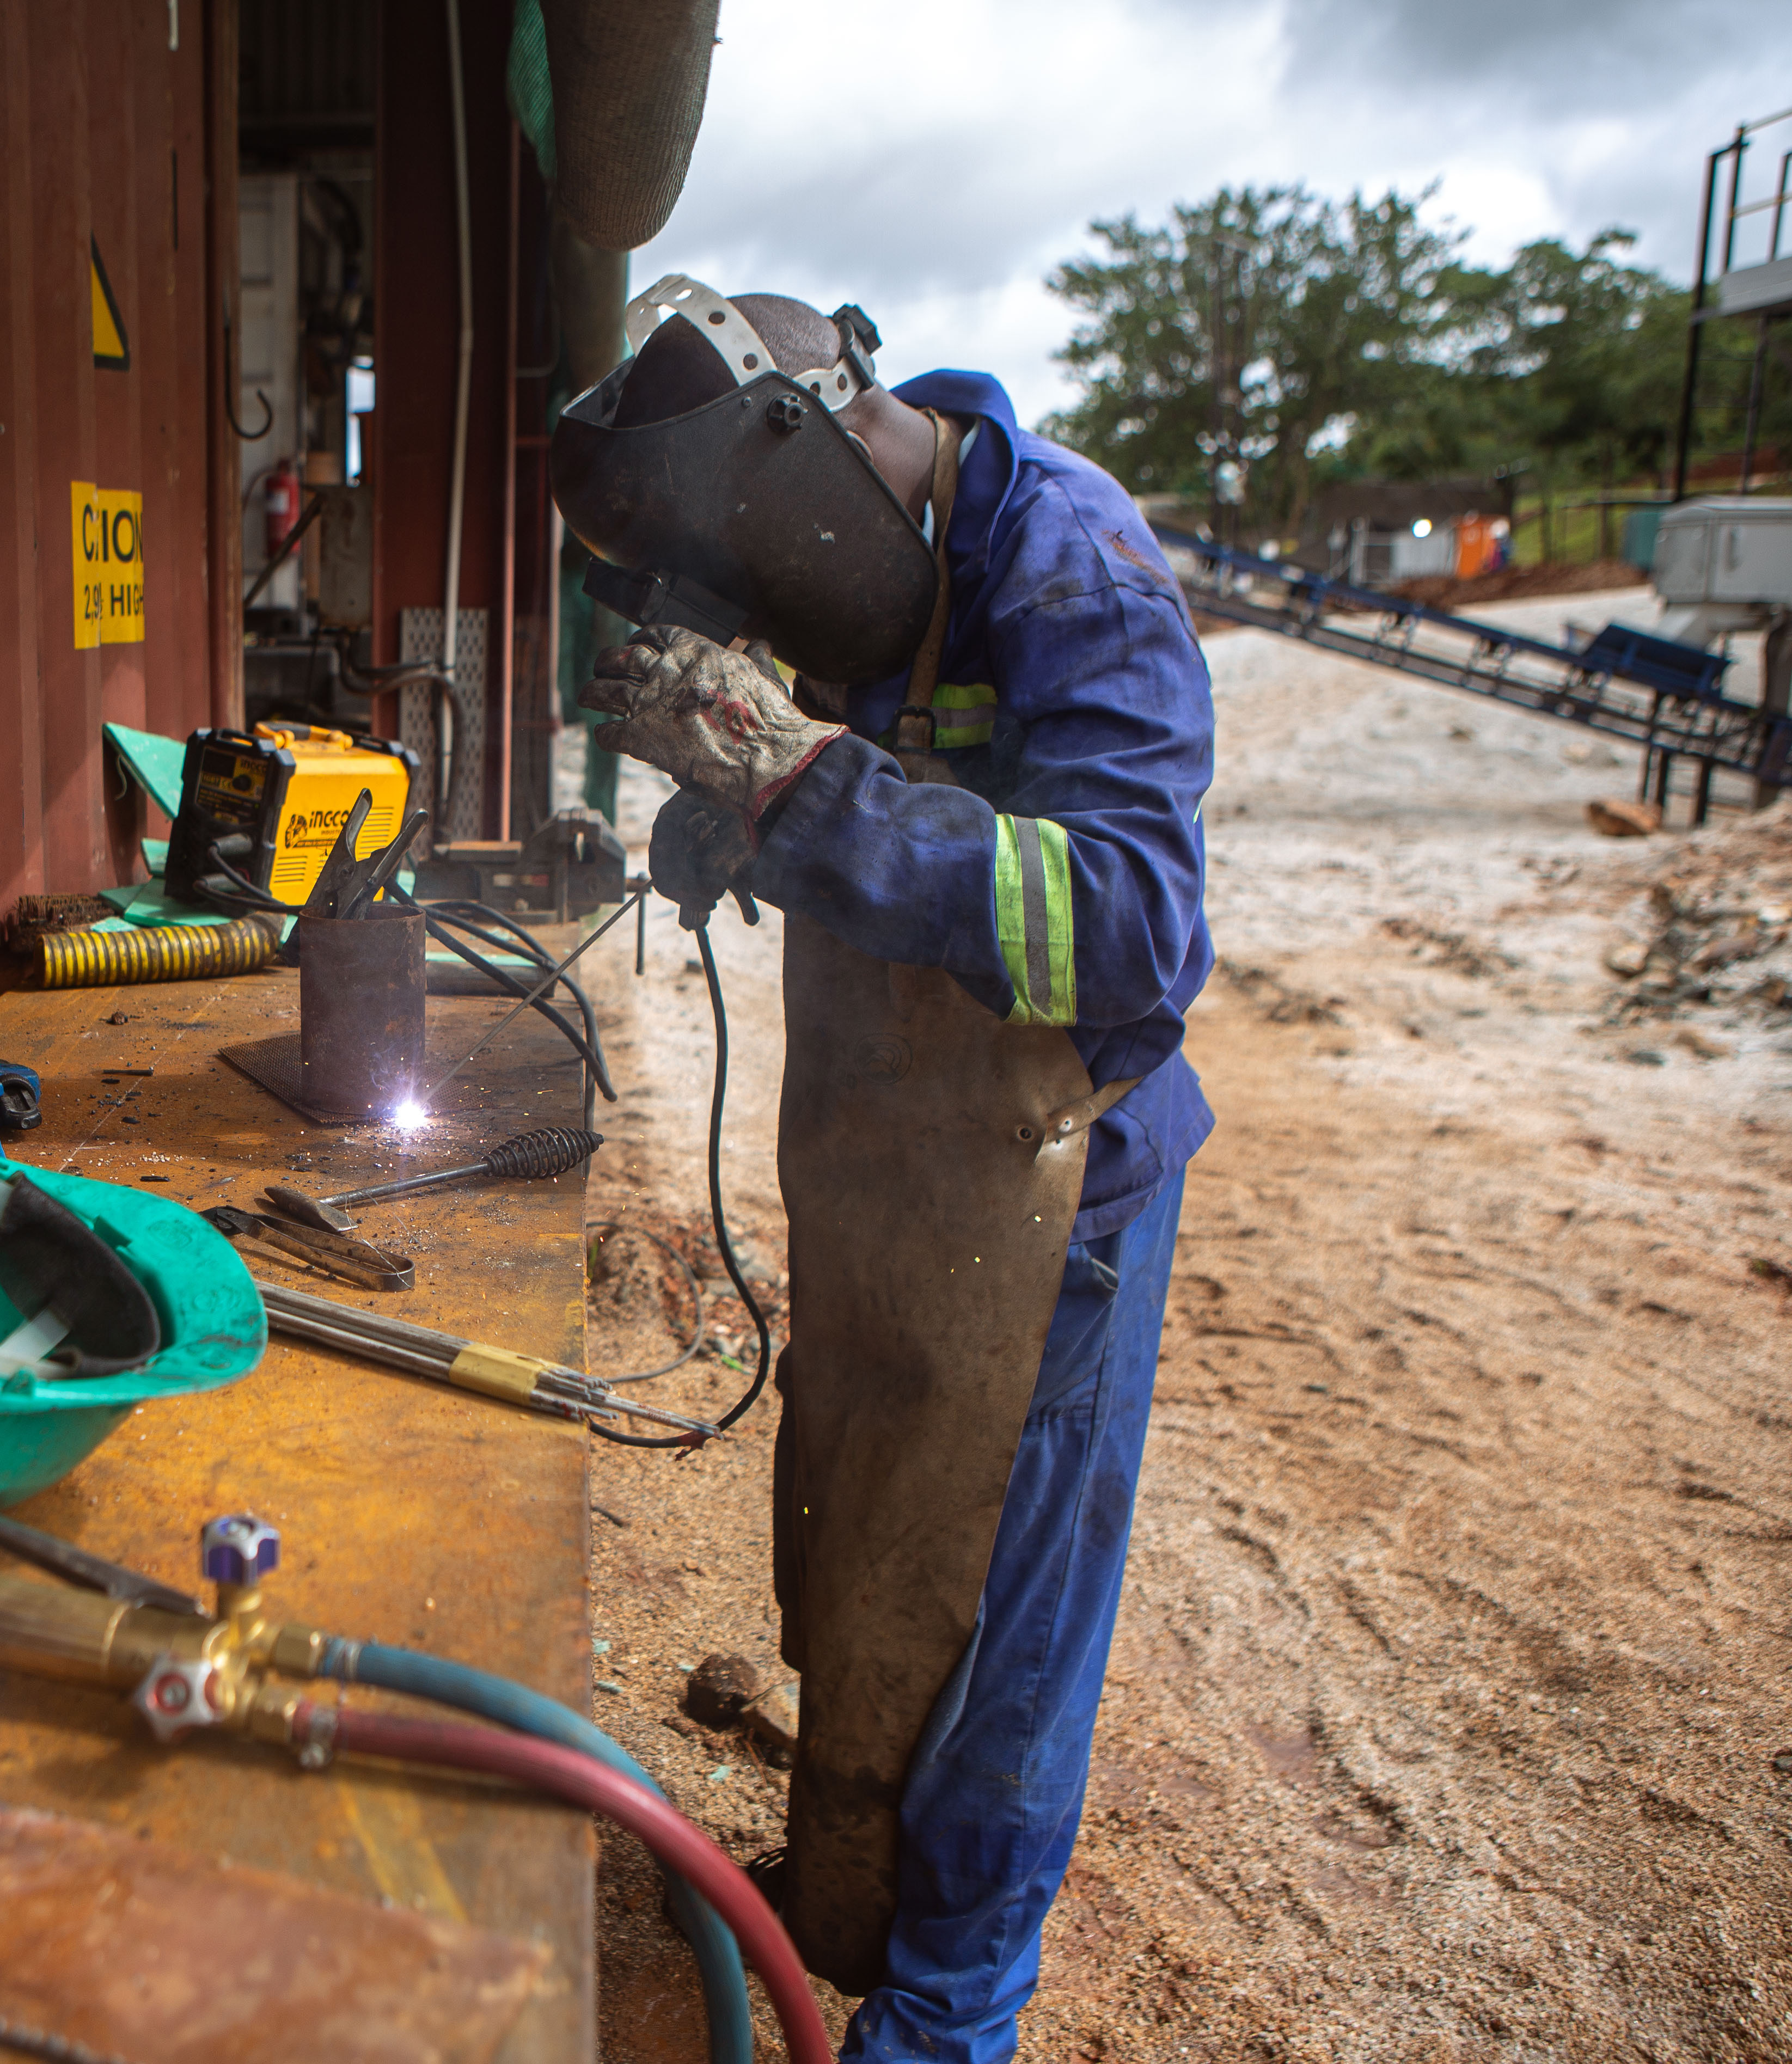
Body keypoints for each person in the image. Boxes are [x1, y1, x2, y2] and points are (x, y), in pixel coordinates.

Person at [554, 278, 1215, 2062]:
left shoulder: (1067, 565)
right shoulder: (863, 564)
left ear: (819, 441)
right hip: (883, 1156)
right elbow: (888, 816)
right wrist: (738, 823)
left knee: (996, 1621)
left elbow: (1132, 930)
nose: (774, 631)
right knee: (860, 1549)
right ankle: (848, 1895)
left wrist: (798, 785)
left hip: (1049, 1182)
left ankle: (944, 2011)